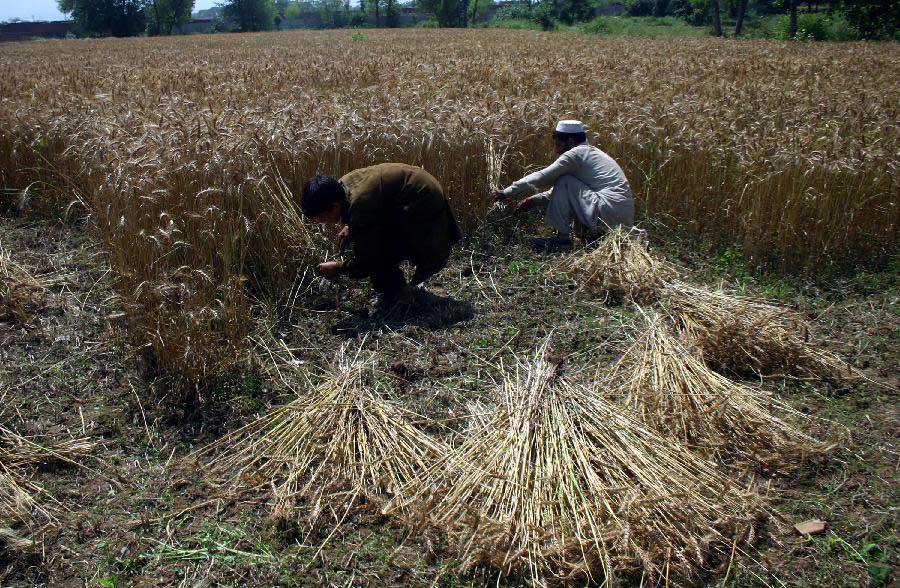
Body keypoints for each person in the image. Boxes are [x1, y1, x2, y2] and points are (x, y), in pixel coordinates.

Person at [301, 163, 461, 309]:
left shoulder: (360, 204)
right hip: (415, 187)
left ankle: (399, 295)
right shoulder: (340, 187)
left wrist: (338, 268)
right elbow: (373, 204)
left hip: (423, 200)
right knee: (370, 239)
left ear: (335, 206)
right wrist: (351, 226)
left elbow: (365, 262)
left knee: (377, 252)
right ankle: (396, 289)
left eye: (322, 217)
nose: (324, 222)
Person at [492, 120, 635, 252]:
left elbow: (542, 177)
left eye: (559, 145)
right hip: (620, 218)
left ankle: (561, 241)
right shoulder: (591, 153)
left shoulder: (576, 153)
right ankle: (590, 239)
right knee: (565, 181)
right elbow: (567, 191)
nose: (557, 151)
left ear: (571, 141)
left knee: (564, 179)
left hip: (607, 210)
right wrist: (534, 200)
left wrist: (506, 192)